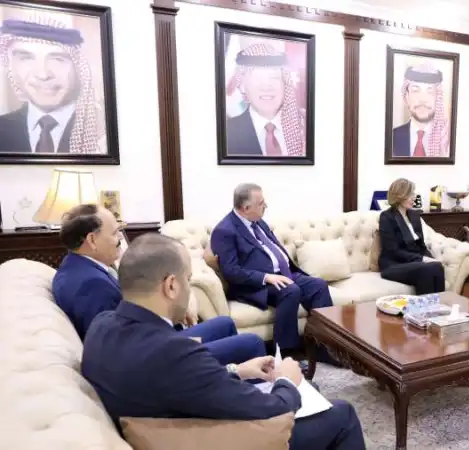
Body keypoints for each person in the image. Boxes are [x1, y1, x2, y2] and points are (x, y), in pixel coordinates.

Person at [81, 233, 365, 449]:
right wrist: (287, 381)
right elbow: (272, 409)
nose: (189, 289)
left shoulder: (101, 324)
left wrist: (237, 371)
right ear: (171, 286)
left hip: (176, 418)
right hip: (214, 437)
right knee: (341, 414)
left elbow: (179, 384)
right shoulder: (173, 352)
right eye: (188, 279)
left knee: (311, 389)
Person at [53, 204, 267, 366]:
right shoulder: (91, 285)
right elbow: (120, 347)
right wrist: (185, 338)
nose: (120, 239)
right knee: (252, 343)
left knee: (225, 324)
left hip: (155, 340)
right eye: (115, 233)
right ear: (92, 240)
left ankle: (226, 382)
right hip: (157, 357)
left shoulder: (79, 268)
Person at [210, 183, 336, 364]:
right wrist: (266, 277)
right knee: (290, 291)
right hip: (255, 284)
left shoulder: (258, 222)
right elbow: (231, 271)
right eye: (261, 203)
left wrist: (284, 271)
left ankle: (323, 347)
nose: (266, 206)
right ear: (246, 208)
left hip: (284, 274)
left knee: (318, 285)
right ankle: (285, 353)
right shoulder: (225, 231)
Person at [0, 16, 102, 154]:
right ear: (12, 66)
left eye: (58, 59)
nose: (43, 75)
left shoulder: (102, 133)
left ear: (77, 68)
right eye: (26, 58)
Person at [226, 42, 306, 157]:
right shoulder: (227, 132)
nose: (266, 86)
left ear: (285, 83)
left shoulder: (305, 128)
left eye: (274, 77)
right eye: (257, 78)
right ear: (243, 85)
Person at [378, 178, 445, 294]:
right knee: (426, 269)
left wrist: (431, 259)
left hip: (413, 262)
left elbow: (421, 245)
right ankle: (424, 305)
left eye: (413, 193)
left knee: (437, 266)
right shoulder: (386, 217)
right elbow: (393, 251)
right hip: (393, 264)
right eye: (410, 194)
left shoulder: (414, 215)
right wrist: (422, 259)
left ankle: (439, 303)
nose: (414, 197)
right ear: (400, 195)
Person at [391, 63, 450, 158]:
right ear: (406, 98)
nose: (423, 99)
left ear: (438, 99)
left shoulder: (446, 140)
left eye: (430, 92)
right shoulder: (391, 137)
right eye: (415, 91)